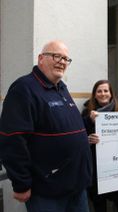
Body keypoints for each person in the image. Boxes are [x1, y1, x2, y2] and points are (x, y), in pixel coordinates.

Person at [0, 40, 92, 212]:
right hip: (47, 191)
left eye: (66, 59)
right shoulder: (24, 89)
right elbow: (13, 140)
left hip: (76, 187)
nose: (62, 62)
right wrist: (21, 183)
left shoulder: (61, 88)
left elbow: (66, 128)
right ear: (41, 58)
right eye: (57, 56)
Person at [82, 80, 118, 212]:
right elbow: (79, 138)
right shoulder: (86, 114)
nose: (103, 94)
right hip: (96, 169)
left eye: (106, 91)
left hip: (117, 167)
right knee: (99, 204)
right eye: (99, 91)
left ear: (111, 94)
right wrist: (88, 138)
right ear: (94, 95)